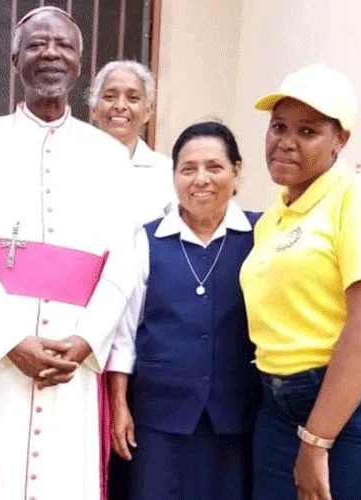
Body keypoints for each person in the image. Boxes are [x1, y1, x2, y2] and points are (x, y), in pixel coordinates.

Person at [0, 6, 138, 500]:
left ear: (78, 63)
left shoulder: (111, 157)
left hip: (73, 358)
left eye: (63, 46)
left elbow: (125, 262)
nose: (50, 53)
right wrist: (10, 341)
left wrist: (88, 338)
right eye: (36, 45)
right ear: (14, 60)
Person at [239, 65, 361, 499]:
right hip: (280, 410)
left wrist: (316, 442)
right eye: (278, 126)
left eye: (308, 131)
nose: (285, 141)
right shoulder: (274, 216)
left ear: (341, 140)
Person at [107, 122, 261, 500]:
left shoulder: (263, 233)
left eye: (215, 167)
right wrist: (119, 407)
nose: (201, 179)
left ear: (236, 171)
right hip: (159, 420)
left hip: (236, 418)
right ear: (173, 176)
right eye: (188, 169)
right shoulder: (145, 240)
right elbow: (124, 335)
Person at [89, 60, 175, 220]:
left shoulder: (167, 173)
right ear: (94, 108)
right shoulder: (72, 162)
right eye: (109, 97)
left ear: (148, 112)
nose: (120, 106)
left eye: (133, 98)